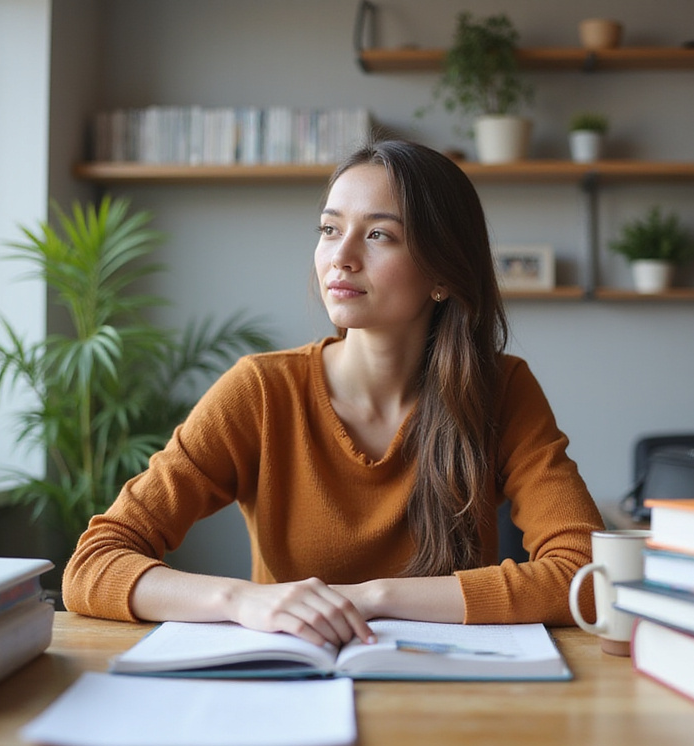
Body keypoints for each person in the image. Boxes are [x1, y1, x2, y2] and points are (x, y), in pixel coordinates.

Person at [62, 139, 604, 648]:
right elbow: (93, 565)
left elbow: (584, 574)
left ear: (442, 274)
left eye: (378, 235)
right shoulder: (263, 392)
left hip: (447, 701)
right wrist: (243, 600)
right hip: (288, 693)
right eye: (328, 229)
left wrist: (370, 597)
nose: (340, 257)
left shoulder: (501, 390)